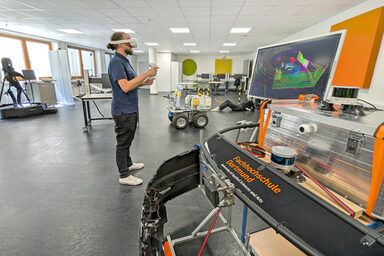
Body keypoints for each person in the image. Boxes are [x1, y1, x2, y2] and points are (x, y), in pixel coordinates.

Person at [107, 32, 158, 186]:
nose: (131, 43)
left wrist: (144, 82)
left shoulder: (125, 61)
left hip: (130, 108)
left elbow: (130, 83)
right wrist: (145, 73)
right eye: (128, 40)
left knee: (128, 140)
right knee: (123, 143)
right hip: (123, 111)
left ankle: (128, 164)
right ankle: (123, 175)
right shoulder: (116, 62)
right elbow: (125, 87)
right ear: (120, 43)